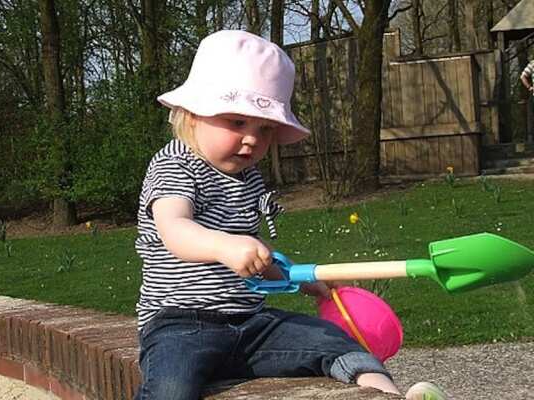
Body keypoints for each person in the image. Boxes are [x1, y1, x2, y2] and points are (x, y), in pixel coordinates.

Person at [133, 30, 447, 400]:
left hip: (252, 325)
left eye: (264, 129)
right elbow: (175, 229)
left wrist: (298, 278)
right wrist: (225, 246)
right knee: (170, 390)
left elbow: (255, 256)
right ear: (193, 114)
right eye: (237, 122)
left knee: (338, 343)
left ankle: (389, 394)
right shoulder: (175, 164)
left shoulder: (248, 177)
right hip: (181, 325)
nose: (252, 138)